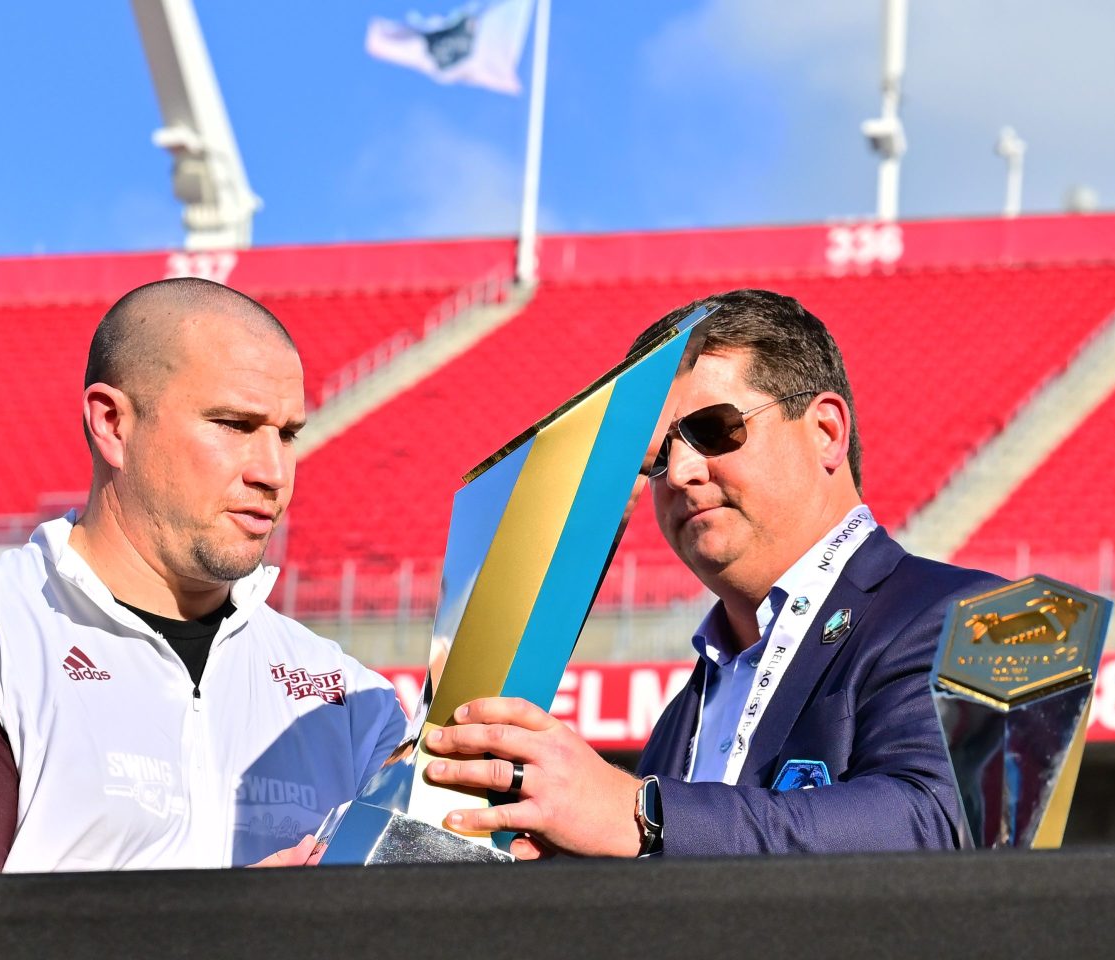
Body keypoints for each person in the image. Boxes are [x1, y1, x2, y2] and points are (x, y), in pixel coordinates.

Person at [0, 278, 407, 874]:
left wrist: (495, 818)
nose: (273, 471)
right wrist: (232, 928)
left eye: (287, 434)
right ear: (112, 424)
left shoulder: (349, 696)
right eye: (234, 424)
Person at [424, 288, 1004, 858]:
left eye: (713, 428)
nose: (678, 473)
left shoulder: (980, 617)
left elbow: (941, 824)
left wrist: (641, 815)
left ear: (826, 432)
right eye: (655, 459)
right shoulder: (682, 716)